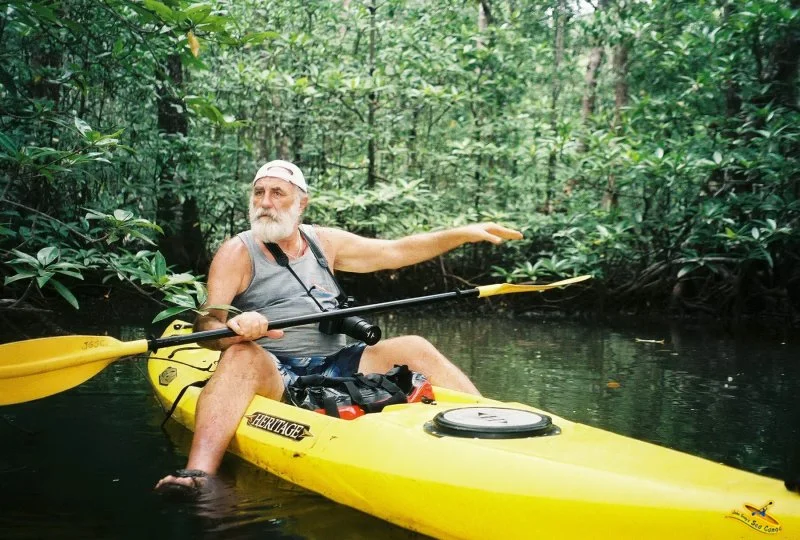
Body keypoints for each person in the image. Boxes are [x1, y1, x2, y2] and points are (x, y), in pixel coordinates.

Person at [155, 160, 522, 492]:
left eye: (277, 193)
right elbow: (206, 323)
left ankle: (494, 423)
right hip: (274, 368)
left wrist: (461, 233)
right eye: (259, 192)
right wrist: (234, 327)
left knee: (415, 346)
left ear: (301, 203)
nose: (265, 202)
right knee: (239, 357)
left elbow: (394, 251)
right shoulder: (237, 251)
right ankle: (197, 475)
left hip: (338, 362)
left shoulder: (324, 242)